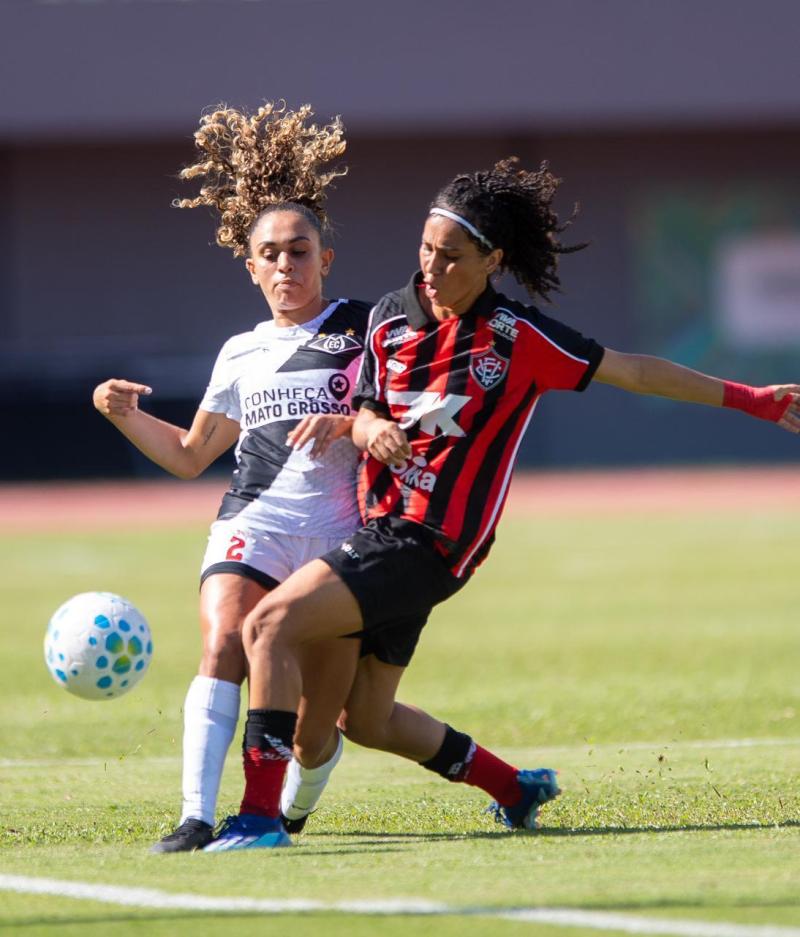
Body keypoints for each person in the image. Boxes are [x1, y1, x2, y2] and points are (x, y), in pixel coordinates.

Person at [211, 156, 800, 850]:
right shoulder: (388, 318)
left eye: (451, 256)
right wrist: (370, 431)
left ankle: (257, 820)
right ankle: (515, 788)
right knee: (363, 720)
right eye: (425, 249)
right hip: (374, 531)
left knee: (269, 623)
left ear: (491, 260)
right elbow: (366, 409)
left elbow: (636, 371)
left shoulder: (517, 337)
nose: (431, 268)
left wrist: (753, 399)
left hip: (429, 541)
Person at [94, 108, 560, 854]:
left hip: (344, 536)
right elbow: (189, 454)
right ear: (250, 267)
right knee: (225, 641)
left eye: (299, 251)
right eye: (269, 255)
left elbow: (420, 395)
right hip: (256, 521)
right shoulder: (239, 352)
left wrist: (363, 423)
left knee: (324, 731)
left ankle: (290, 808)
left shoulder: (372, 326)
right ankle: (194, 817)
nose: (285, 266)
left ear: (326, 258)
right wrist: (121, 413)